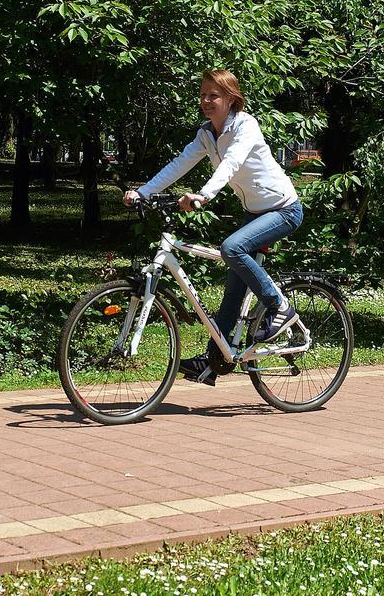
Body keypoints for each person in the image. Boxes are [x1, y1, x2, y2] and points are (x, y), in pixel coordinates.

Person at [124, 70, 303, 385]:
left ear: (231, 99)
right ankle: (214, 359)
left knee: (232, 248)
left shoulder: (246, 126)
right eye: (203, 94)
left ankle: (280, 308)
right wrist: (144, 192)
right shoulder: (207, 134)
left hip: (284, 210)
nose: (206, 101)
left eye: (214, 96)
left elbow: (232, 162)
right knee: (233, 290)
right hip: (255, 213)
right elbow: (179, 164)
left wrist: (204, 195)